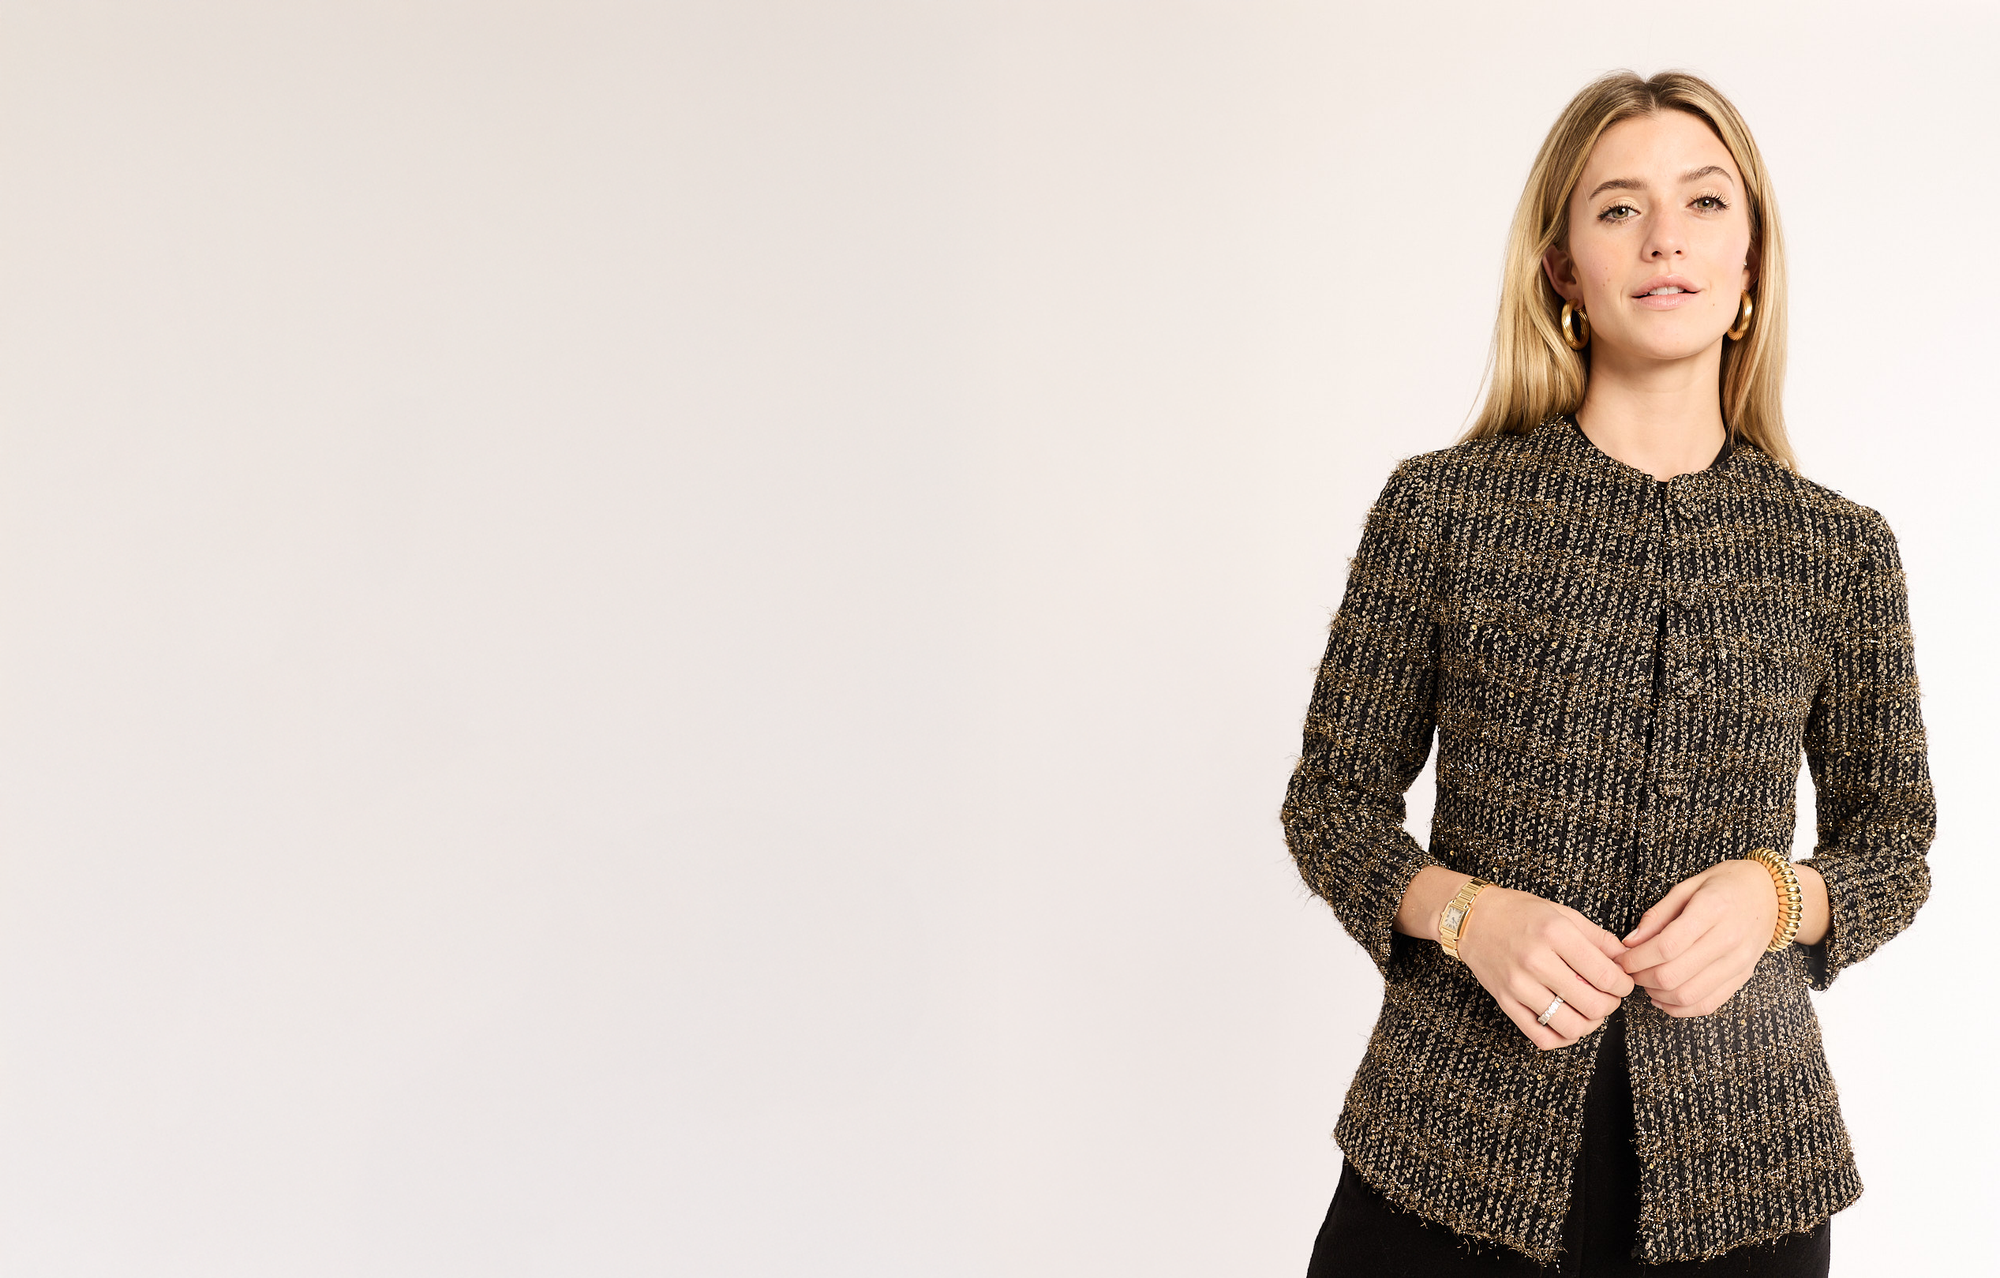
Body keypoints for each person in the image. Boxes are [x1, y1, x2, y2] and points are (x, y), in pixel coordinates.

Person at [1280, 70, 1936, 1276]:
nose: (1664, 237)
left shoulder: (1839, 549)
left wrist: (1774, 899)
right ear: (1561, 269)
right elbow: (1330, 806)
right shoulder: (1441, 510)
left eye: (1702, 202)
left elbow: (1892, 841)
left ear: (1748, 267)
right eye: (1617, 208)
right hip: (1447, 1150)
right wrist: (1465, 916)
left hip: (1745, 1170)